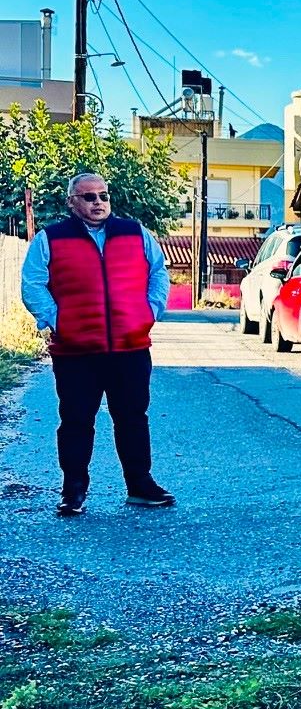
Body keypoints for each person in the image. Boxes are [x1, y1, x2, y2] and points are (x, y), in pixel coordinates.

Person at [19, 171, 175, 516]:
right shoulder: (51, 239)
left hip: (130, 346)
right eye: (89, 197)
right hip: (76, 351)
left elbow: (158, 273)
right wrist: (55, 320)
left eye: (103, 196)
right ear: (72, 202)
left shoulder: (135, 233)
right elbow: (33, 283)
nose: (98, 203)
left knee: (133, 417)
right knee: (76, 420)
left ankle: (140, 485)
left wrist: (150, 311)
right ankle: (73, 490)